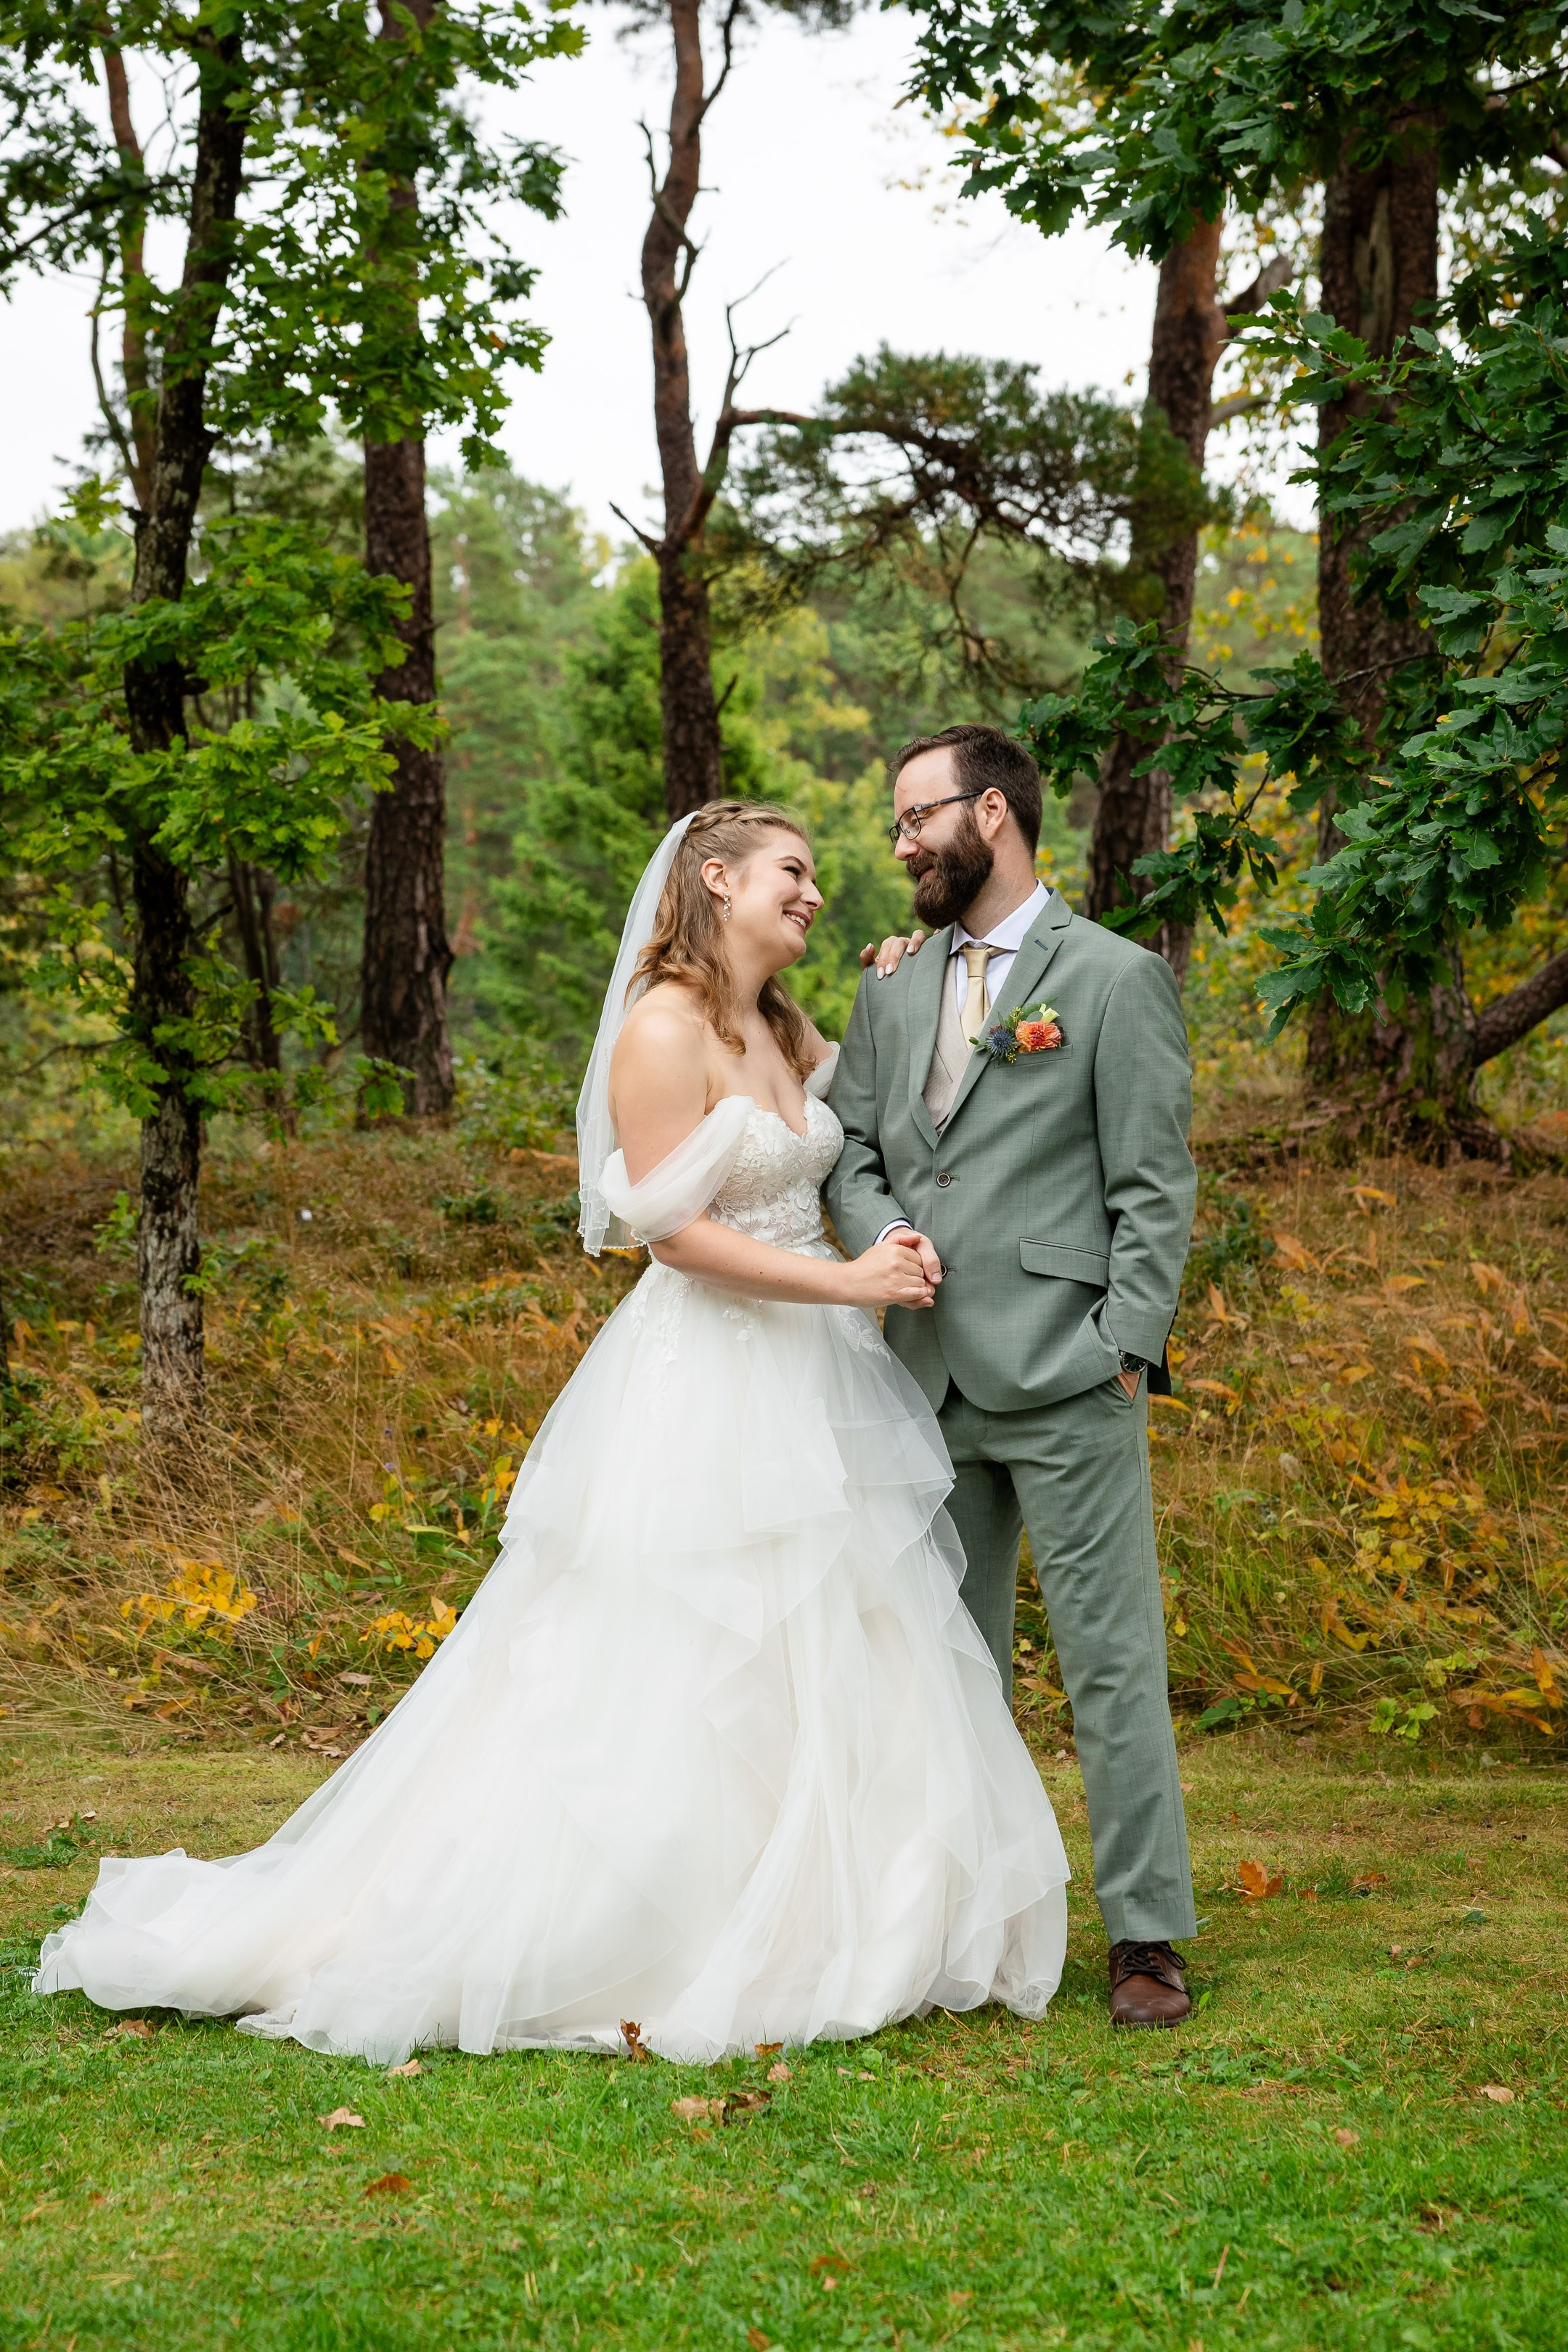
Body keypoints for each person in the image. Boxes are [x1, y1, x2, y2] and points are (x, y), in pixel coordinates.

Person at [34, 800, 1069, 2067]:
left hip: (823, 1385)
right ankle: (633, 1930)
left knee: (840, 1643)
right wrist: (852, 1285)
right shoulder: (663, 1029)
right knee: (675, 1656)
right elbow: (673, 1237)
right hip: (710, 1383)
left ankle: (817, 1914)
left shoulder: (788, 1030)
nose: (813, 893)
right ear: (716, 878)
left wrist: (901, 1009)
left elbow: (844, 1148)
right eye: (791, 873)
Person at [828, 725, 1199, 2028]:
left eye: (916, 816)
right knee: (948, 1668)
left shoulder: (1109, 979)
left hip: (1066, 1375)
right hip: (923, 1378)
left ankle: (1145, 1935)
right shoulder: (886, 983)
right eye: (894, 823)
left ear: (992, 812)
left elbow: (1155, 1184)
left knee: (1111, 1665)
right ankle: (956, 1925)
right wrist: (881, 1235)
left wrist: (1124, 1346)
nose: (900, 843)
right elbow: (854, 1152)